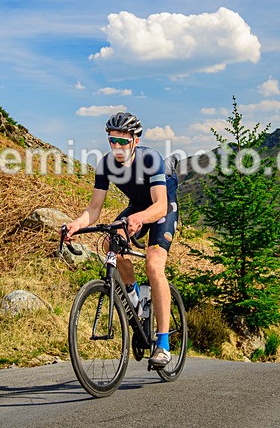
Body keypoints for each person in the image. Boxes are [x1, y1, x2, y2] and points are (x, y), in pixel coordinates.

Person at [63, 112, 179, 368]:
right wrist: (76, 224)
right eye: (112, 141)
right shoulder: (106, 165)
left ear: (136, 141)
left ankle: (162, 343)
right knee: (110, 242)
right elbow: (93, 210)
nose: (117, 147)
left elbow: (159, 207)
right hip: (137, 206)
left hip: (161, 208)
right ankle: (134, 296)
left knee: (153, 263)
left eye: (123, 142)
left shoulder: (151, 159)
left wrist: (140, 218)